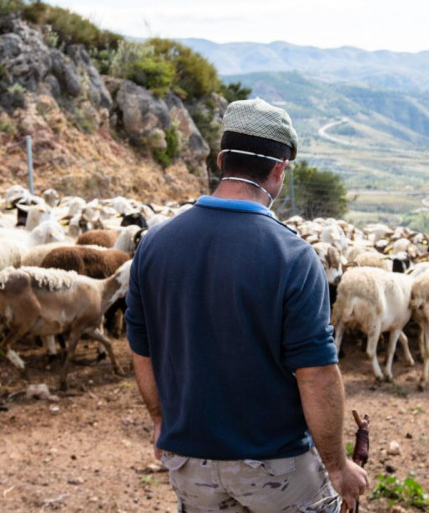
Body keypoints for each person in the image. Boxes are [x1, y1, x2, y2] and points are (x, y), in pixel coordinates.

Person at [125, 98, 369, 512]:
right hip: (275, 466)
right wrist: (336, 464)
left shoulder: (153, 245)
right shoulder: (293, 257)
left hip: (189, 463)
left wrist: (160, 421)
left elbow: (142, 350)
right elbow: (317, 375)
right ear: (279, 169)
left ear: (221, 159)